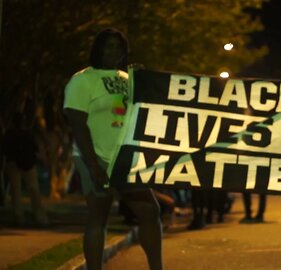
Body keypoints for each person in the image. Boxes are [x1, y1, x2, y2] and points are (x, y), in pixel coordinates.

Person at [63, 28, 163, 270]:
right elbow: (77, 122)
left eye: (119, 47)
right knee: (99, 217)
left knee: (150, 211)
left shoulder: (128, 78)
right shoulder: (82, 80)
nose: (114, 51)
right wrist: (93, 165)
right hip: (95, 156)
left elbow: (147, 112)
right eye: (109, 46)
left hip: (126, 159)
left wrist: (143, 81)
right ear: (98, 48)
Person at [3, 112, 48, 226]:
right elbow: (35, 149)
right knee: (33, 190)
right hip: (27, 164)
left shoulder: (9, 134)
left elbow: (4, 150)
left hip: (14, 164)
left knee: (16, 191)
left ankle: (19, 217)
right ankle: (39, 217)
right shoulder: (28, 134)